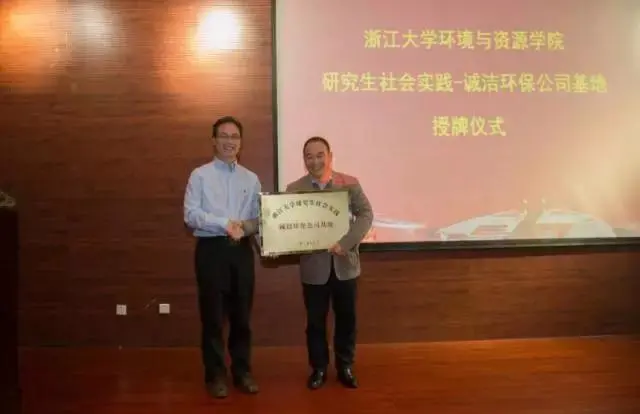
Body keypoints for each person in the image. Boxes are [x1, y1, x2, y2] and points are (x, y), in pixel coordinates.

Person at [285, 136, 373, 390]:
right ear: (304, 160)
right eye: (309, 156)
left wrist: (345, 242)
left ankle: (345, 365)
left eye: (319, 155)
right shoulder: (294, 189)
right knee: (315, 322)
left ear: (330, 156)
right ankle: (319, 368)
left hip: (346, 265)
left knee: (346, 319)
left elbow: (366, 215)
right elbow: (286, 223)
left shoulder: (350, 183)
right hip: (314, 268)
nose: (315, 161)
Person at [183, 116, 261, 398]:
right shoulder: (200, 175)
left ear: (241, 142)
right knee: (213, 317)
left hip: (241, 252)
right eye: (224, 136)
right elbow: (191, 215)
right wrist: (223, 223)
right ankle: (215, 374)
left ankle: (242, 372)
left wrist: (256, 233)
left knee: (242, 317)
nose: (230, 141)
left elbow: (258, 218)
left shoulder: (251, 178)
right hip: (211, 251)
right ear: (214, 141)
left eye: (235, 136)